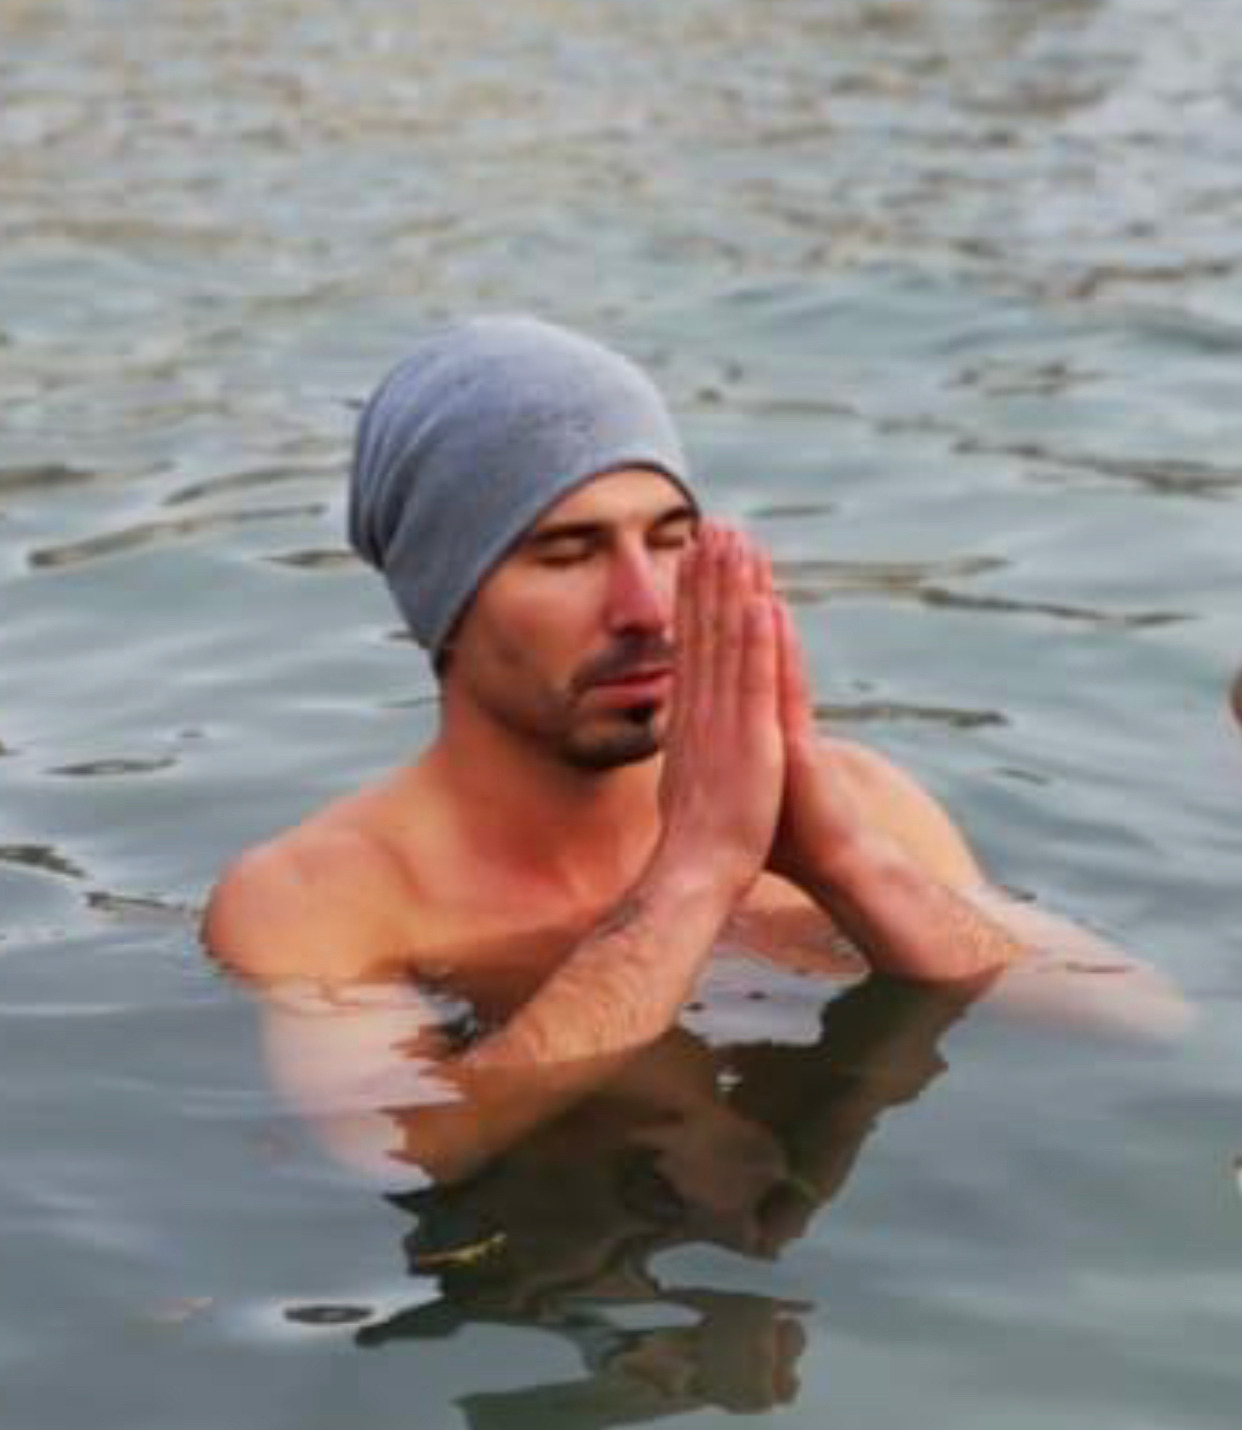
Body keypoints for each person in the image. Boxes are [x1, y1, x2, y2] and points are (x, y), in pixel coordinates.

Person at [202, 315, 1181, 1179]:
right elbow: (399, 1150)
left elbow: (1148, 1024)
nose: (646, 608)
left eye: (670, 540)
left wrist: (849, 868)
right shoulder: (322, 895)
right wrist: (694, 879)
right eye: (568, 553)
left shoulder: (855, 801)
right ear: (440, 600)